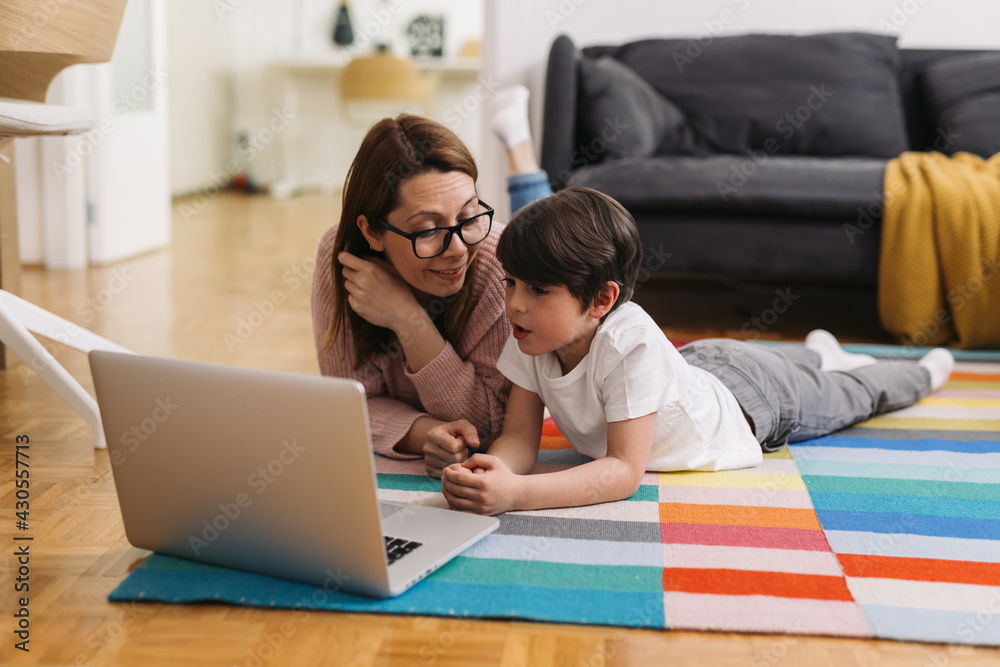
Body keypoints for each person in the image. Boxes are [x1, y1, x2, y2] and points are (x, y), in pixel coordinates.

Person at [436, 187, 955, 515]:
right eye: (511, 283)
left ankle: (922, 372)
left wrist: (519, 497)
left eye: (539, 290)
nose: (515, 304)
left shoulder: (628, 339)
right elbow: (520, 438)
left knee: (855, 393)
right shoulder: (531, 333)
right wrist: (495, 471)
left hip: (753, 403)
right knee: (794, 364)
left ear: (601, 300)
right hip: (699, 367)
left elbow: (623, 471)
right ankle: (818, 351)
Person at [311, 88, 553, 478]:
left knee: (547, 240)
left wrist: (410, 321)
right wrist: (428, 435)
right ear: (371, 232)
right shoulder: (341, 259)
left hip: (536, 256)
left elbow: (491, 426)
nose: (457, 249)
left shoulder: (500, 268)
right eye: (427, 230)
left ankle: (518, 146)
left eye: (469, 215)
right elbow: (352, 402)